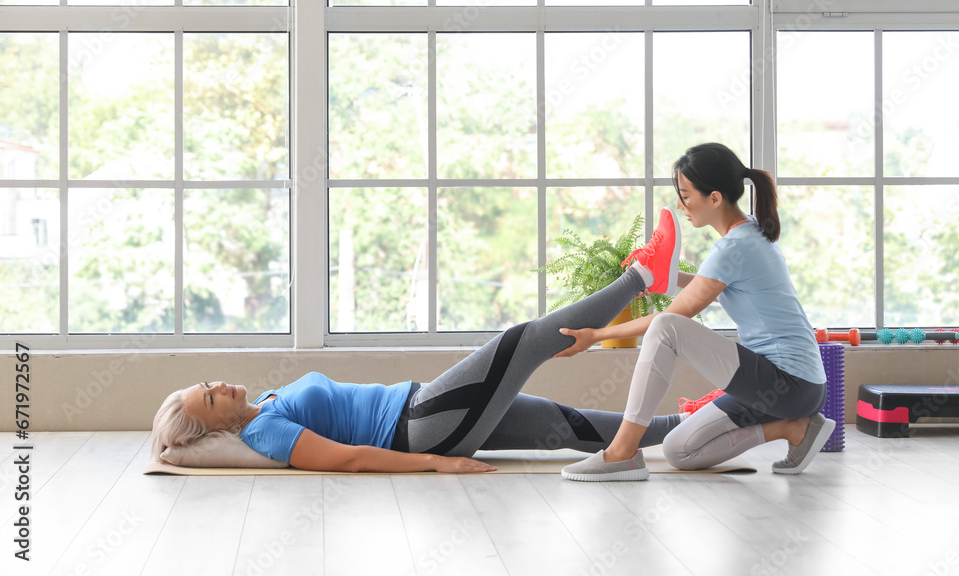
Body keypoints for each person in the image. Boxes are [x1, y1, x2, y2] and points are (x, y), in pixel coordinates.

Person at [150, 261, 687, 473]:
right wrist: (439, 464)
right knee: (520, 343)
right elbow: (351, 460)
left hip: (425, 407)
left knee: (561, 425)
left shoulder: (264, 406)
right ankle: (644, 276)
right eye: (213, 398)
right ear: (218, 425)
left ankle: (696, 427)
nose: (218, 385)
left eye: (207, 384)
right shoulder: (266, 431)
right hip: (419, 424)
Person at [559, 142, 834, 482]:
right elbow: (713, 286)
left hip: (790, 383)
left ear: (715, 198)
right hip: (784, 388)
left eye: (686, 196)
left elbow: (672, 319)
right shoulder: (748, 234)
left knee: (666, 327)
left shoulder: (735, 246)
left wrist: (596, 335)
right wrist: (664, 278)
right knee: (680, 451)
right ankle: (792, 428)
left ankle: (622, 453)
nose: (680, 205)